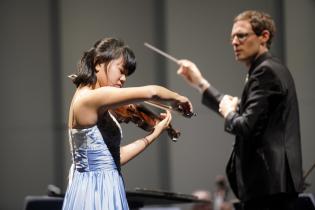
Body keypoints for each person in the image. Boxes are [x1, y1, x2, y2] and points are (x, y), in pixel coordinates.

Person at [176, 10, 303, 210]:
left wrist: (229, 112)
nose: (235, 42)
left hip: (268, 188)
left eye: (241, 35)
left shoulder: (265, 71)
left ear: (264, 37)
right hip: (272, 186)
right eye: (233, 37)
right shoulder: (268, 69)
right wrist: (201, 84)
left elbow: (245, 126)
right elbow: (245, 118)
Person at [62, 37, 193, 210]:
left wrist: (153, 134)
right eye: (121, 70)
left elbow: (115, 159)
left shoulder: (92, 98)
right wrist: (178, 97)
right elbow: (152, 92)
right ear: (98, 63)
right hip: (96, 192)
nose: (123, 79)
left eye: (127, 75)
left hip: (103, 186)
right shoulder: (90, 98)